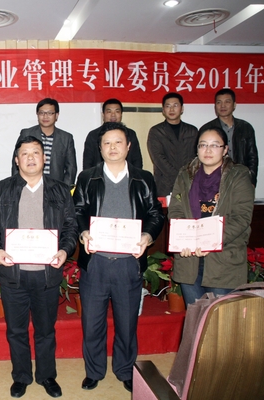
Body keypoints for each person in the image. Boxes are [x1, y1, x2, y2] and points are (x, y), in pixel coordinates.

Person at [0, 136, 78, 398]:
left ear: (44, 158)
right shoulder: (1, 189)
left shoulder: (60, 190)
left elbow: (71, 226)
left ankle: (47, 376)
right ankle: (21, 376)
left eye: (35, 152)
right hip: (13, 273)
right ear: (17, 160)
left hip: (47, 274)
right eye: (24, 153)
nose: (30, 158)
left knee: (45, 330)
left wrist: (64, 250)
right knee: (16, 330)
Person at [73, 122, 164, 393]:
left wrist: (147, 236)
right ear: (100, 148)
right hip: (96, 263)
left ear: (128, 146)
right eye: (107, 143)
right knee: (92, 323)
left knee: (127, 323)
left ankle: (125, 370)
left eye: (118, 142)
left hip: (128, 263)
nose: (112, 147)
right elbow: (77, 210)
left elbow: (156, 213)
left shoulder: (143, 178)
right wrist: (83, 232)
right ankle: (94, 371)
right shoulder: (87, 177)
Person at [169, 126, 254, 306]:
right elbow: (176, 211)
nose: (208, 150)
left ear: (225, 149)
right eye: (203, 145)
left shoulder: (238, 176)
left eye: (215, 145)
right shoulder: (185, 175)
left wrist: (211, 242)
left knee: (220, 320)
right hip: (189, 261)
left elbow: (241, 218)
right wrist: (183, 240)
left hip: (223, 263)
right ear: (197, 148)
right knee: (196, 319)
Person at [11, 98, 77, 187]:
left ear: (56, 115)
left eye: (50, 113)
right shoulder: (26, 134)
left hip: (56, 187)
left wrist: (64, 189)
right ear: (37, 115)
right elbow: (16, 162)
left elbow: (71, 168)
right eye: (42, 113)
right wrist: (18, 186)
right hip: (29, 185)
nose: (45, 116)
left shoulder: (66, 138)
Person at [200, 88, 259, 186]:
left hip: (241, 178)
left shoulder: (245, 127)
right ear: (215, 106)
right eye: (219, 102)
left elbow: (252, 157)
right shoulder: (207, 129)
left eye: (227, 102)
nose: (223, 106)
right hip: (215, 181)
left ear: (234, 105)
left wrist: (251, 181)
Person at [147, 93, 199, 197]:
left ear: (182, 109)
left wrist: (187, 176)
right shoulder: (156, 131)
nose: (171, 109)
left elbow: (196, 157)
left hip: (189, 183)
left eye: (175, 105)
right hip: (165, 184)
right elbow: (158, 158)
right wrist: (179, 177)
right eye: (168, 106)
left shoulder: (192, 131)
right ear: (163, 110)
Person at [82, 98, 143, 170]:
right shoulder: (93, 135)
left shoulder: (130, 134)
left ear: (121, 114)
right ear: (103, 114)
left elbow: (137, 160)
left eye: (117, 111)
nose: (113, 115)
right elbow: (87, 163)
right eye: (109, 112)